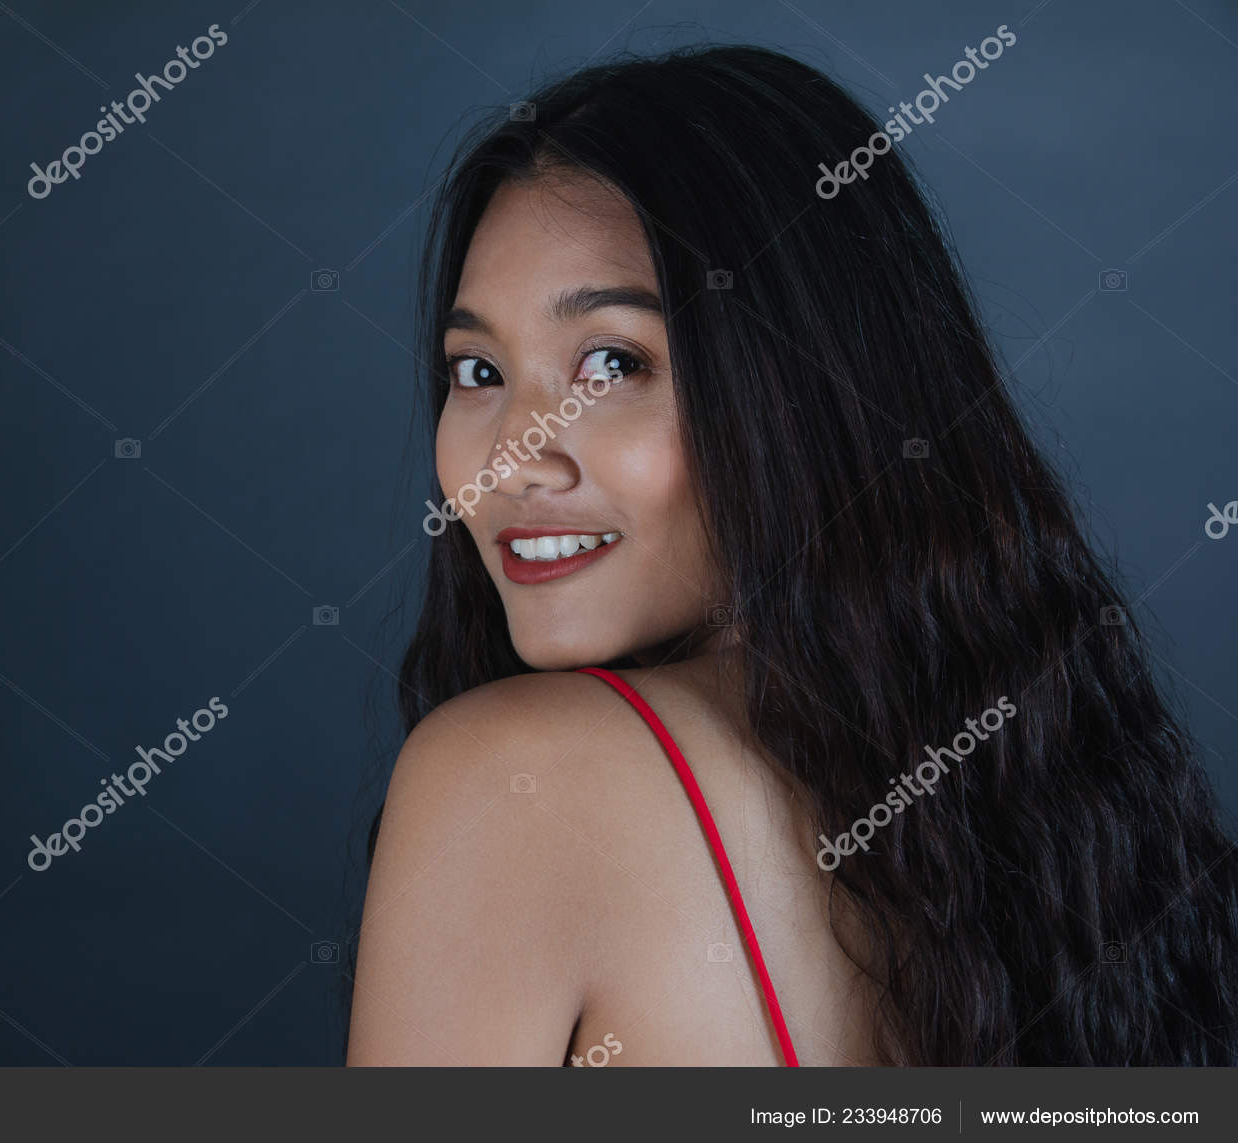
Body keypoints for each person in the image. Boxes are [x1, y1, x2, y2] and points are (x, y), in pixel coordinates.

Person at [345, 46, 1238, 1066]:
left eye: (613, 362)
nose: (512, 456)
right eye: (476, 370)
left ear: (800, 389)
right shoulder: (1042, 817)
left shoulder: (510, 778)